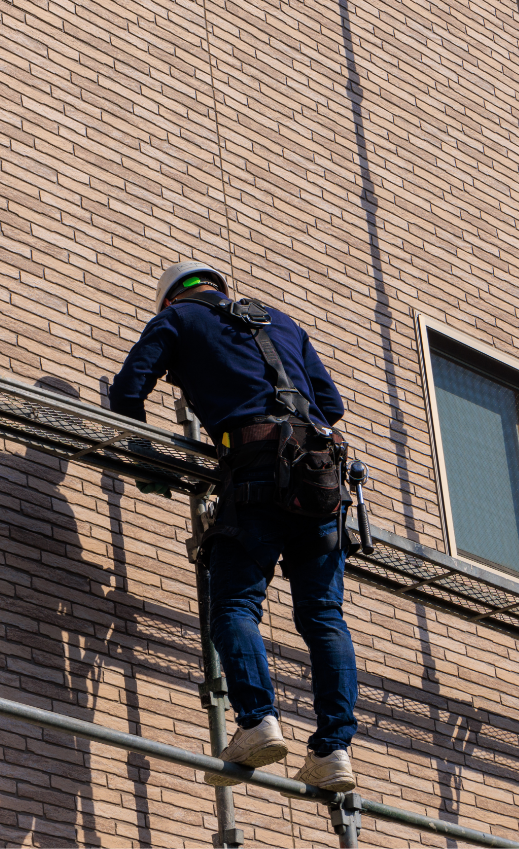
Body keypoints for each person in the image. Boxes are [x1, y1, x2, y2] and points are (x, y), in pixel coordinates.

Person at [107, 260, 360, 793]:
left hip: (256, 477)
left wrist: (144, 457)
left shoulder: (176, 320)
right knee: (322, 616)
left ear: (171, 298)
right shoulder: (282, 323)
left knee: (234, 606)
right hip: (321, 482)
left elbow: (128, 391)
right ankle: (334, 749)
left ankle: (257, 721)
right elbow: (331, 406)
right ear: (219, 286)